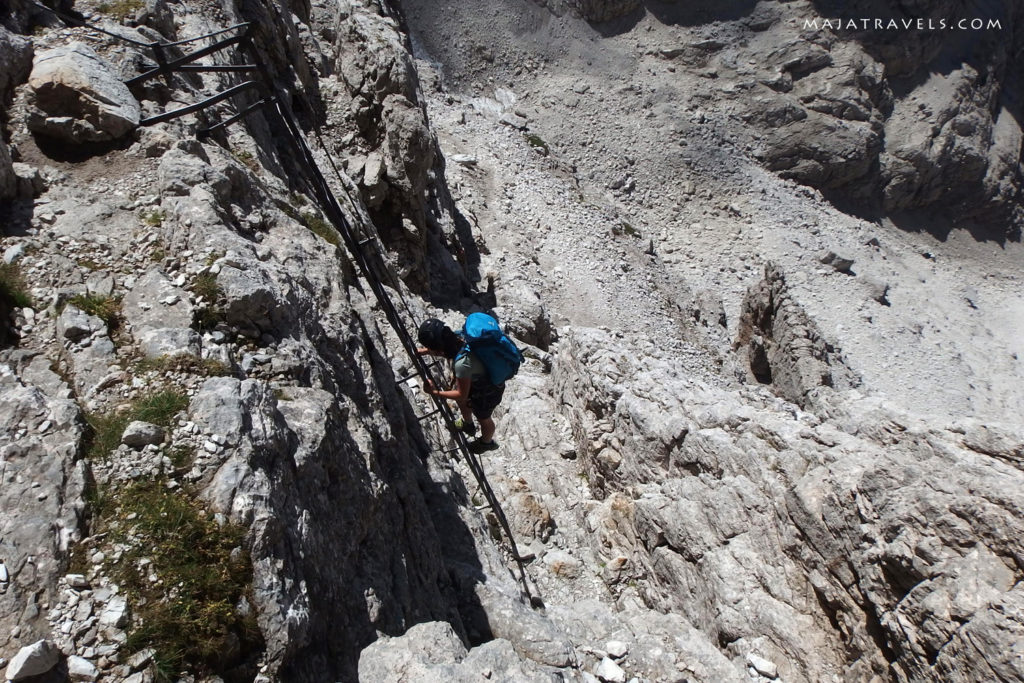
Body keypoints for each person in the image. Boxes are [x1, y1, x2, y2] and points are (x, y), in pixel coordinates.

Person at [417, 318, 503, 453]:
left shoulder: (461, 364)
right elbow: (447, 349)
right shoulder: (459, 336)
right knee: (464, 400)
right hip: (479, 381)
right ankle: (468, 424)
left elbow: (461, 394)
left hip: (488, 390)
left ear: (439, 349)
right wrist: (426, 351)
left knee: (483, 417)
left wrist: (434, 392)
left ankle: (487, 443)